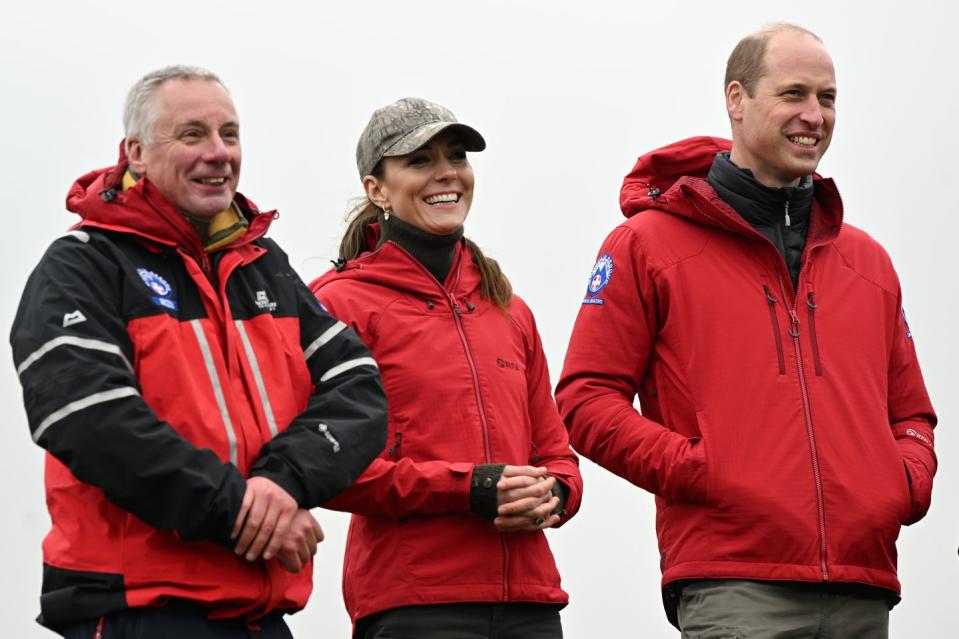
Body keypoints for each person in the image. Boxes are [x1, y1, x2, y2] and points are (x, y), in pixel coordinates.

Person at [556, 23, 936, 638]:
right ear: (736, 99)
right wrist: (701, 470)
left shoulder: (869, 262)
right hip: (732, 583)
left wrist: (900, 485)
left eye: (828, 97)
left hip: (863, 589)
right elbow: (585, 399)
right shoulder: (646, 245)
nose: (814, 115)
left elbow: (913, 414)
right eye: (793, 94)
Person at [10, 65, 387, 638]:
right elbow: (87, 417)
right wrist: (238, 509)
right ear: (135, 152)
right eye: (192, 135)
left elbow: (358, 388)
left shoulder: (263, 265)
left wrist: (285, 480)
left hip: (263, 616)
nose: (219, 153)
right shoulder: (82, 264)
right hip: (141, 611)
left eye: (229, 135)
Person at [309, 97, 583, 639]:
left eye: (456, 155)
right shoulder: (337, 305)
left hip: (531, 604)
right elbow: (324, 469)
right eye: (418, 160)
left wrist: (554, 494)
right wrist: (467, 489)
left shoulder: (509, 308)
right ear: (376, 189)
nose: (446, 173)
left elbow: (556, 455)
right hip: (415, 605)